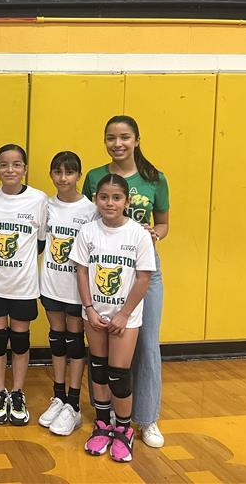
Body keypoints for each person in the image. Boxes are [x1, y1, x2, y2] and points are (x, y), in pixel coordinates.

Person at [82, 115, 170, 449]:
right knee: (102, 343)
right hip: (105, 265)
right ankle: (104, 417)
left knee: (146, 344)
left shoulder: (155, 178)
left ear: (136, 139)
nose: (117, 144)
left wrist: (153, 234)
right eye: (110, 138)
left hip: (144, 269)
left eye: (124, 137)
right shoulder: (94, 177)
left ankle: (146, 419)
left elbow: (163, 225)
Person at [70, 173, 156, 462]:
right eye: (104, 197)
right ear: (96, 199)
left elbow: (144, 278)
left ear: (127, 201)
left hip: (125, 319)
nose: (110, 202)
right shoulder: (88, 232)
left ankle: (123, 429)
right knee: (98, 370)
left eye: (116, 197)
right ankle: (102, 424)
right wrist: (89, 308)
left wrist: (123, 314)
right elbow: (81, 271)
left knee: (118, 375)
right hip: (94, 314)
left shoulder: (139, 235)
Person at [0, 144, 48, 426]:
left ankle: (18, 392)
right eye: (4, 165)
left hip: (23, 286)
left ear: (25, 168)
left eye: (16, 164)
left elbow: (41, 242)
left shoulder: (39, 199)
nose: (10, 170)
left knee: (20, 340)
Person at [37, 151, 97, 435]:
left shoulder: (90, 209)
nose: (63, 178)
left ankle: (73, 404)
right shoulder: (45, 205)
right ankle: (59, 396)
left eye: (69, 172)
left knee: (75, 343)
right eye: (58, 172)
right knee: (57, 342)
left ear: (78, 175)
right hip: (50, 284)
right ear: (51, 175)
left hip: (76, 289)